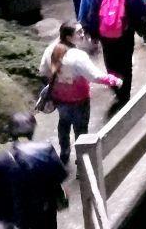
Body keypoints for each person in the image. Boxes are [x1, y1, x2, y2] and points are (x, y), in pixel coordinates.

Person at [39, 23, 122, 166]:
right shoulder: (77, 56)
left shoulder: (50, 50)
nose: (82, 34)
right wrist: (114, 80)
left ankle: (64, 153)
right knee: (81, 129)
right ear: (68, 37)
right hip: (79, 99)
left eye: (82, 31)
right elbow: (95, 76)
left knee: (64, 123)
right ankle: (81, 160)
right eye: (78, 32)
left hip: (59, 97)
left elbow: (43, 70)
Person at [85, 0, 146, 105]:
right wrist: (142, 30)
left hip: (105, 34)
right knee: (126, 63)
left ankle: (116, 89)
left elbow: (93, 13)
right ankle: (125, 95)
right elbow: (142, 11)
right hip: (125, 33)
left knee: (110, 62)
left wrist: (93, 34)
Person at [0, 112, 66, 229]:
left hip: (16, 214)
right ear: (32, 130)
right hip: (44, 209)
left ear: (11, 133)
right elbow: (60, 175)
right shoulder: (46, 150)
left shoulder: (2, 160)